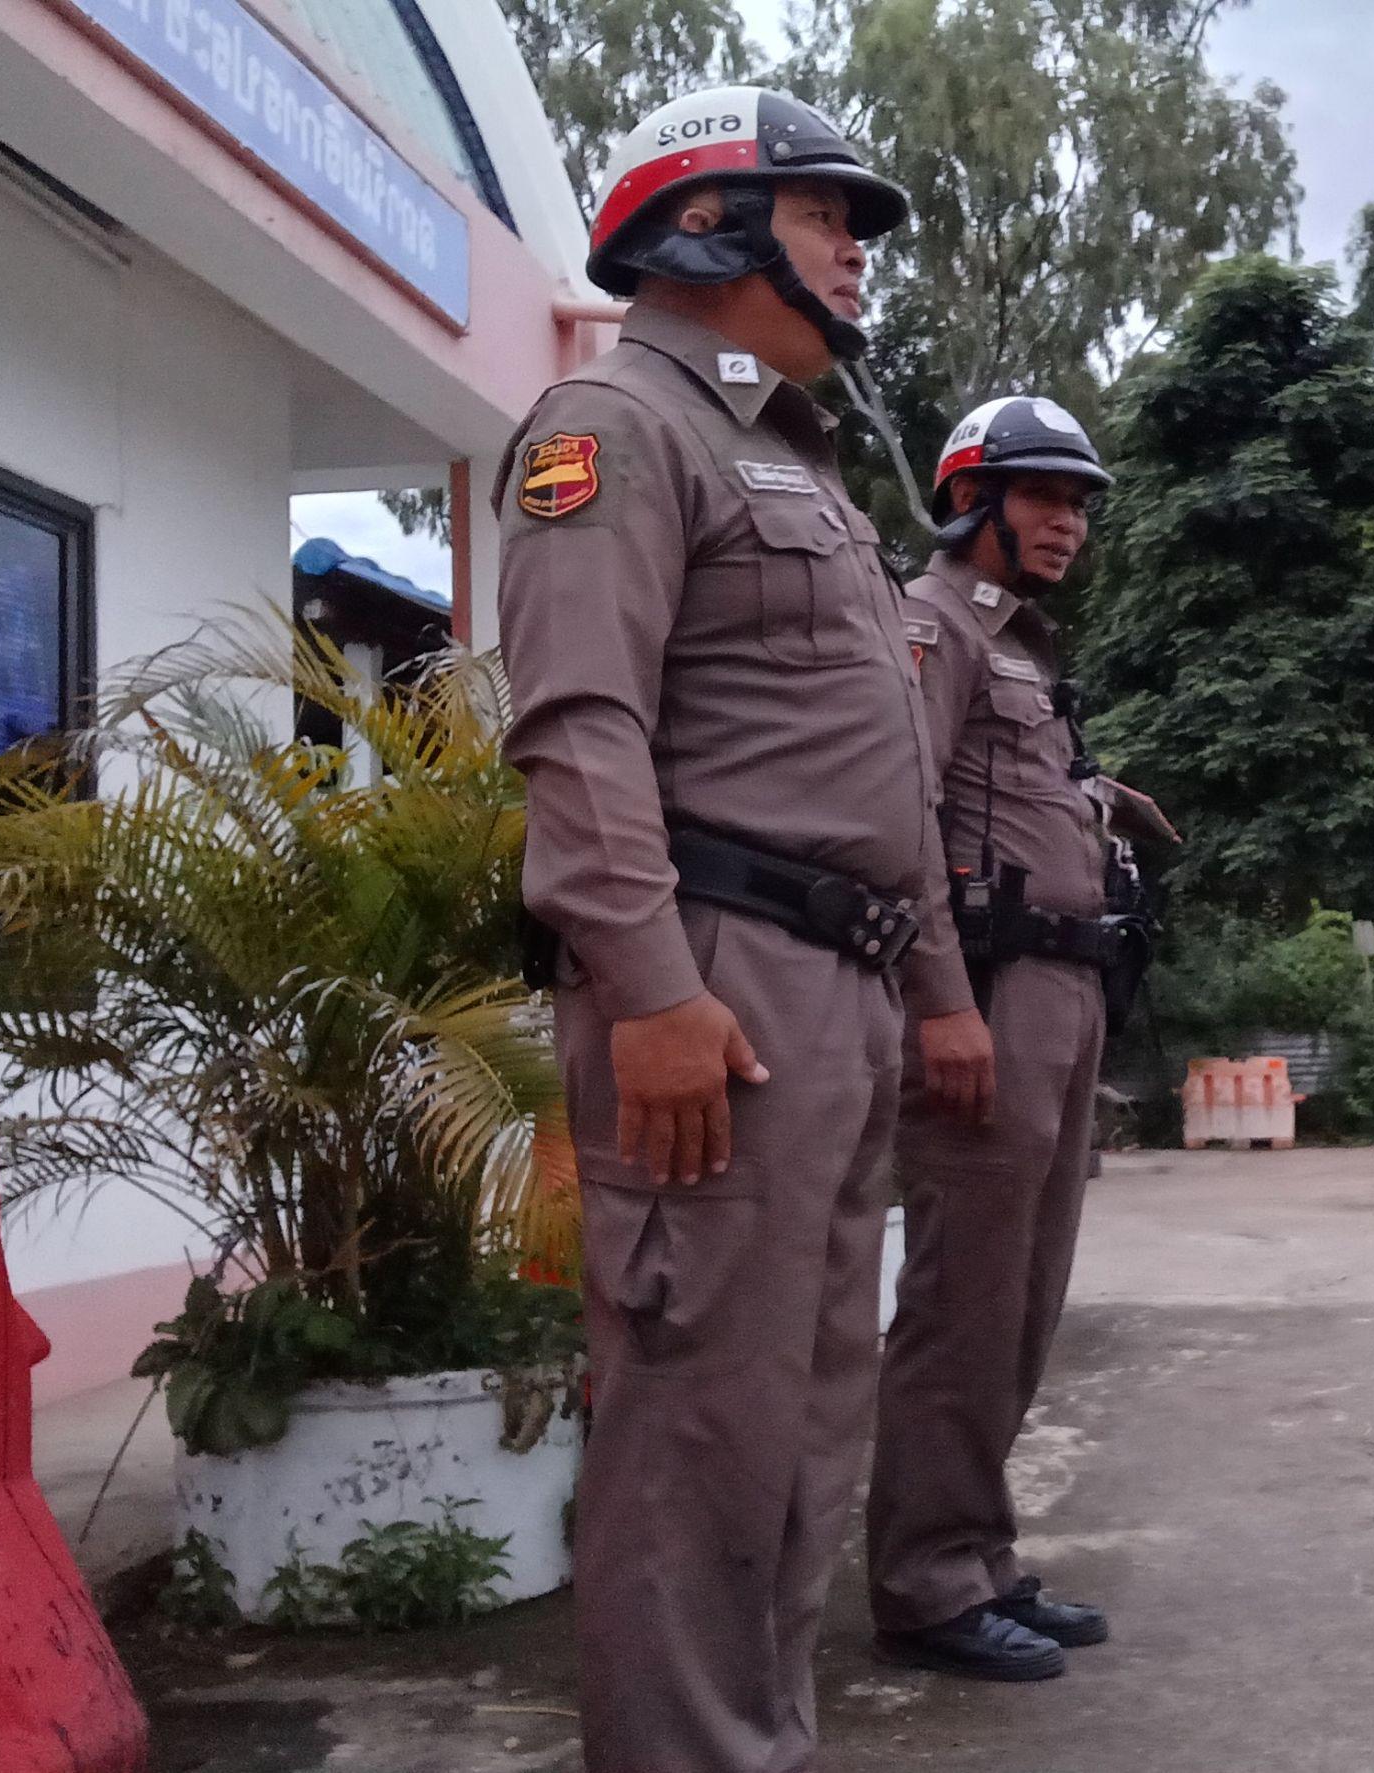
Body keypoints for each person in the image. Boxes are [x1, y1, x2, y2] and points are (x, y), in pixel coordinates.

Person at [494, 85, 935, 1773]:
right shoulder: (611, 426)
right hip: (716, 989)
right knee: (699, 1438)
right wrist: (652, 992)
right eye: (826, 215)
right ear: (706, 227)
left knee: (805, 1429)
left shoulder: (789, 457)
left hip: (830, 985)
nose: (854, 253)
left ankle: (760, 1741)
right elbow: (578, 727)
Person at [866, 396, 1173, 1680]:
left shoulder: (1021, 651)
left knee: (1025, 1296)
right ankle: (926, 1581)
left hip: (1059, 990)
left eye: (1081, 504)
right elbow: (899, 816)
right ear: (970, 501)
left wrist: (1102, 811)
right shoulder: (930, 625)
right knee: (964, 1300)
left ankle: (978, 1553)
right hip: (984, 998)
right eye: (1044, 496)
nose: (1069, 523)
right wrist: (941, 999)